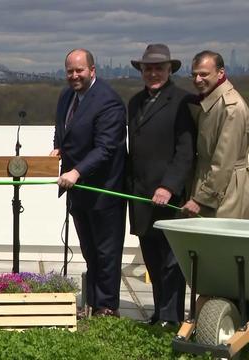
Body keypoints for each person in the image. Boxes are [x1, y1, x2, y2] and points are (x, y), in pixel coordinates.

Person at [51, 49, 127, 317]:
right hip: (78, 192)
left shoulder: (109, 102)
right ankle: (93, 303)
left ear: (92, 70)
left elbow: (106, 148)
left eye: (79, 70)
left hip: (104, 190)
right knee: (89, 250)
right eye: (70, 71)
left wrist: (76, 172)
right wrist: (57, 148)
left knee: (107, 252)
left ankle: (107, 308)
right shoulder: (66, 97)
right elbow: (62, 130)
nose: (74, 76)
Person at [127, 44, 195, 326]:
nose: (153, 73)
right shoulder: (134, 102)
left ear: (170, 70)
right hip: (141, 195)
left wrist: (169, 186)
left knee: (171, 261)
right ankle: (159, 314)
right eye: (148, 68)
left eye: (159, 68)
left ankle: (172, 317)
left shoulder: (183, 101)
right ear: (141, 71)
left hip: (168, 196)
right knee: (153, 260)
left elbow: (186, 150)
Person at [182, 50, 249, 219]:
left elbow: (224, 161)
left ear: (221, 73)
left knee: (221, 242)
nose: (197, 80)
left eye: (204, 74)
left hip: (224, 191)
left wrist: (202, 199)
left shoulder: (231, 108)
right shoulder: (210, 101)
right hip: (209, 184)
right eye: (194, 75)